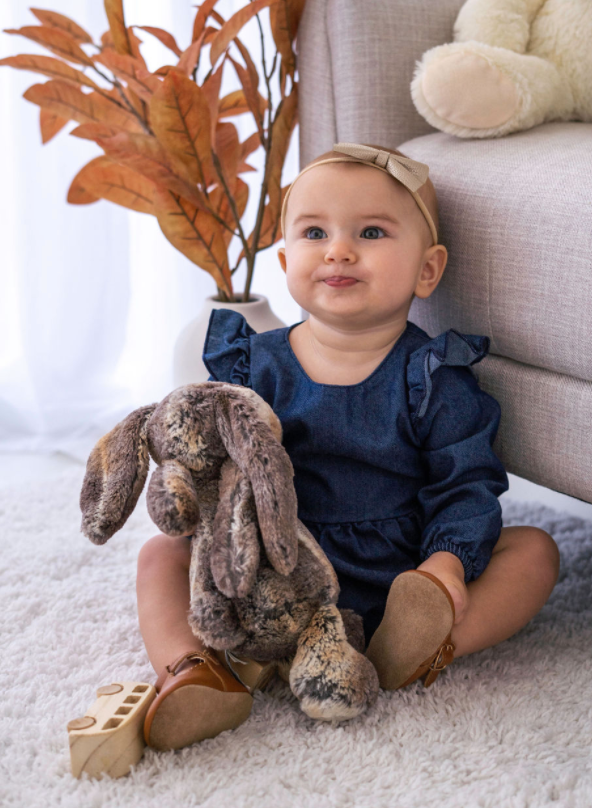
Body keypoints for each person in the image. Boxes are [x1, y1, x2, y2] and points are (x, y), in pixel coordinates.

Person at [136, 142, 560, 751]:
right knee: (160, 556)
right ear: (285, 260)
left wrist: (444, 565)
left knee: (534, 552)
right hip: (272, 574)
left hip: (400, 578)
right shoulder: (253, 366)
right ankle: (193, 669)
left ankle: (416, 645)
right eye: (314, 231)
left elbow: (466, 483)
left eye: (371, 231)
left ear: (427, 270)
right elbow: (218, 464)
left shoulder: (433, 376)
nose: (338, 249)